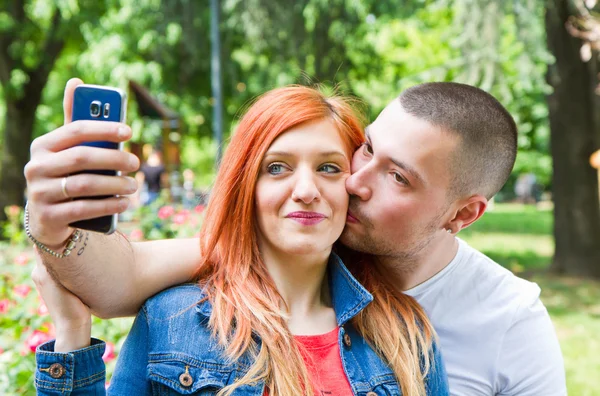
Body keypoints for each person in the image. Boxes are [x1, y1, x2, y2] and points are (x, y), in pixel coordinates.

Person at [25, 79, 566, 395]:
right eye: (277, 168)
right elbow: (125, 273)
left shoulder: (414, 337)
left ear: (462, 214)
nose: (353, 182)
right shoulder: (173, 319)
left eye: (329, 168)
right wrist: (70, 326)